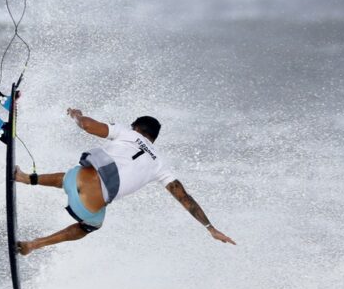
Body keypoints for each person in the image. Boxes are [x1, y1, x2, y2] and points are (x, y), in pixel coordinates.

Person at [15, 108, 235, 255]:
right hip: (90, 203)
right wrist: (210, 228)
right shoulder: (161, 165)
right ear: (154, 138)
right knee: (90, 226)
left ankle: (24, 178)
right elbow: (185, 199)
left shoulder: (127, 133)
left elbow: (88, 126)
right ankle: (33, 245)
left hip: (79, 178)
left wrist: (76, 115)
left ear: (136, 127)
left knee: (71, 175)